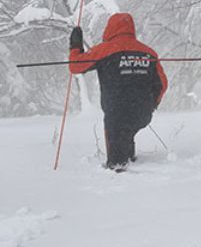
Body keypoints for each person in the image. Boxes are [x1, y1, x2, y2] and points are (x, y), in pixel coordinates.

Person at [69, 13, 168, 171]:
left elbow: (75, 66)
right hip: (142, 113)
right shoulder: (149, 53)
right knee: (127, 134)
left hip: (116, 114)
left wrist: (75, 46)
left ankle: (119, 172)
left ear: (110, 29)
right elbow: (162, 83)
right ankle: (130, 159)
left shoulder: (105, 50)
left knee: (117, 166)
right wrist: (152, 104)